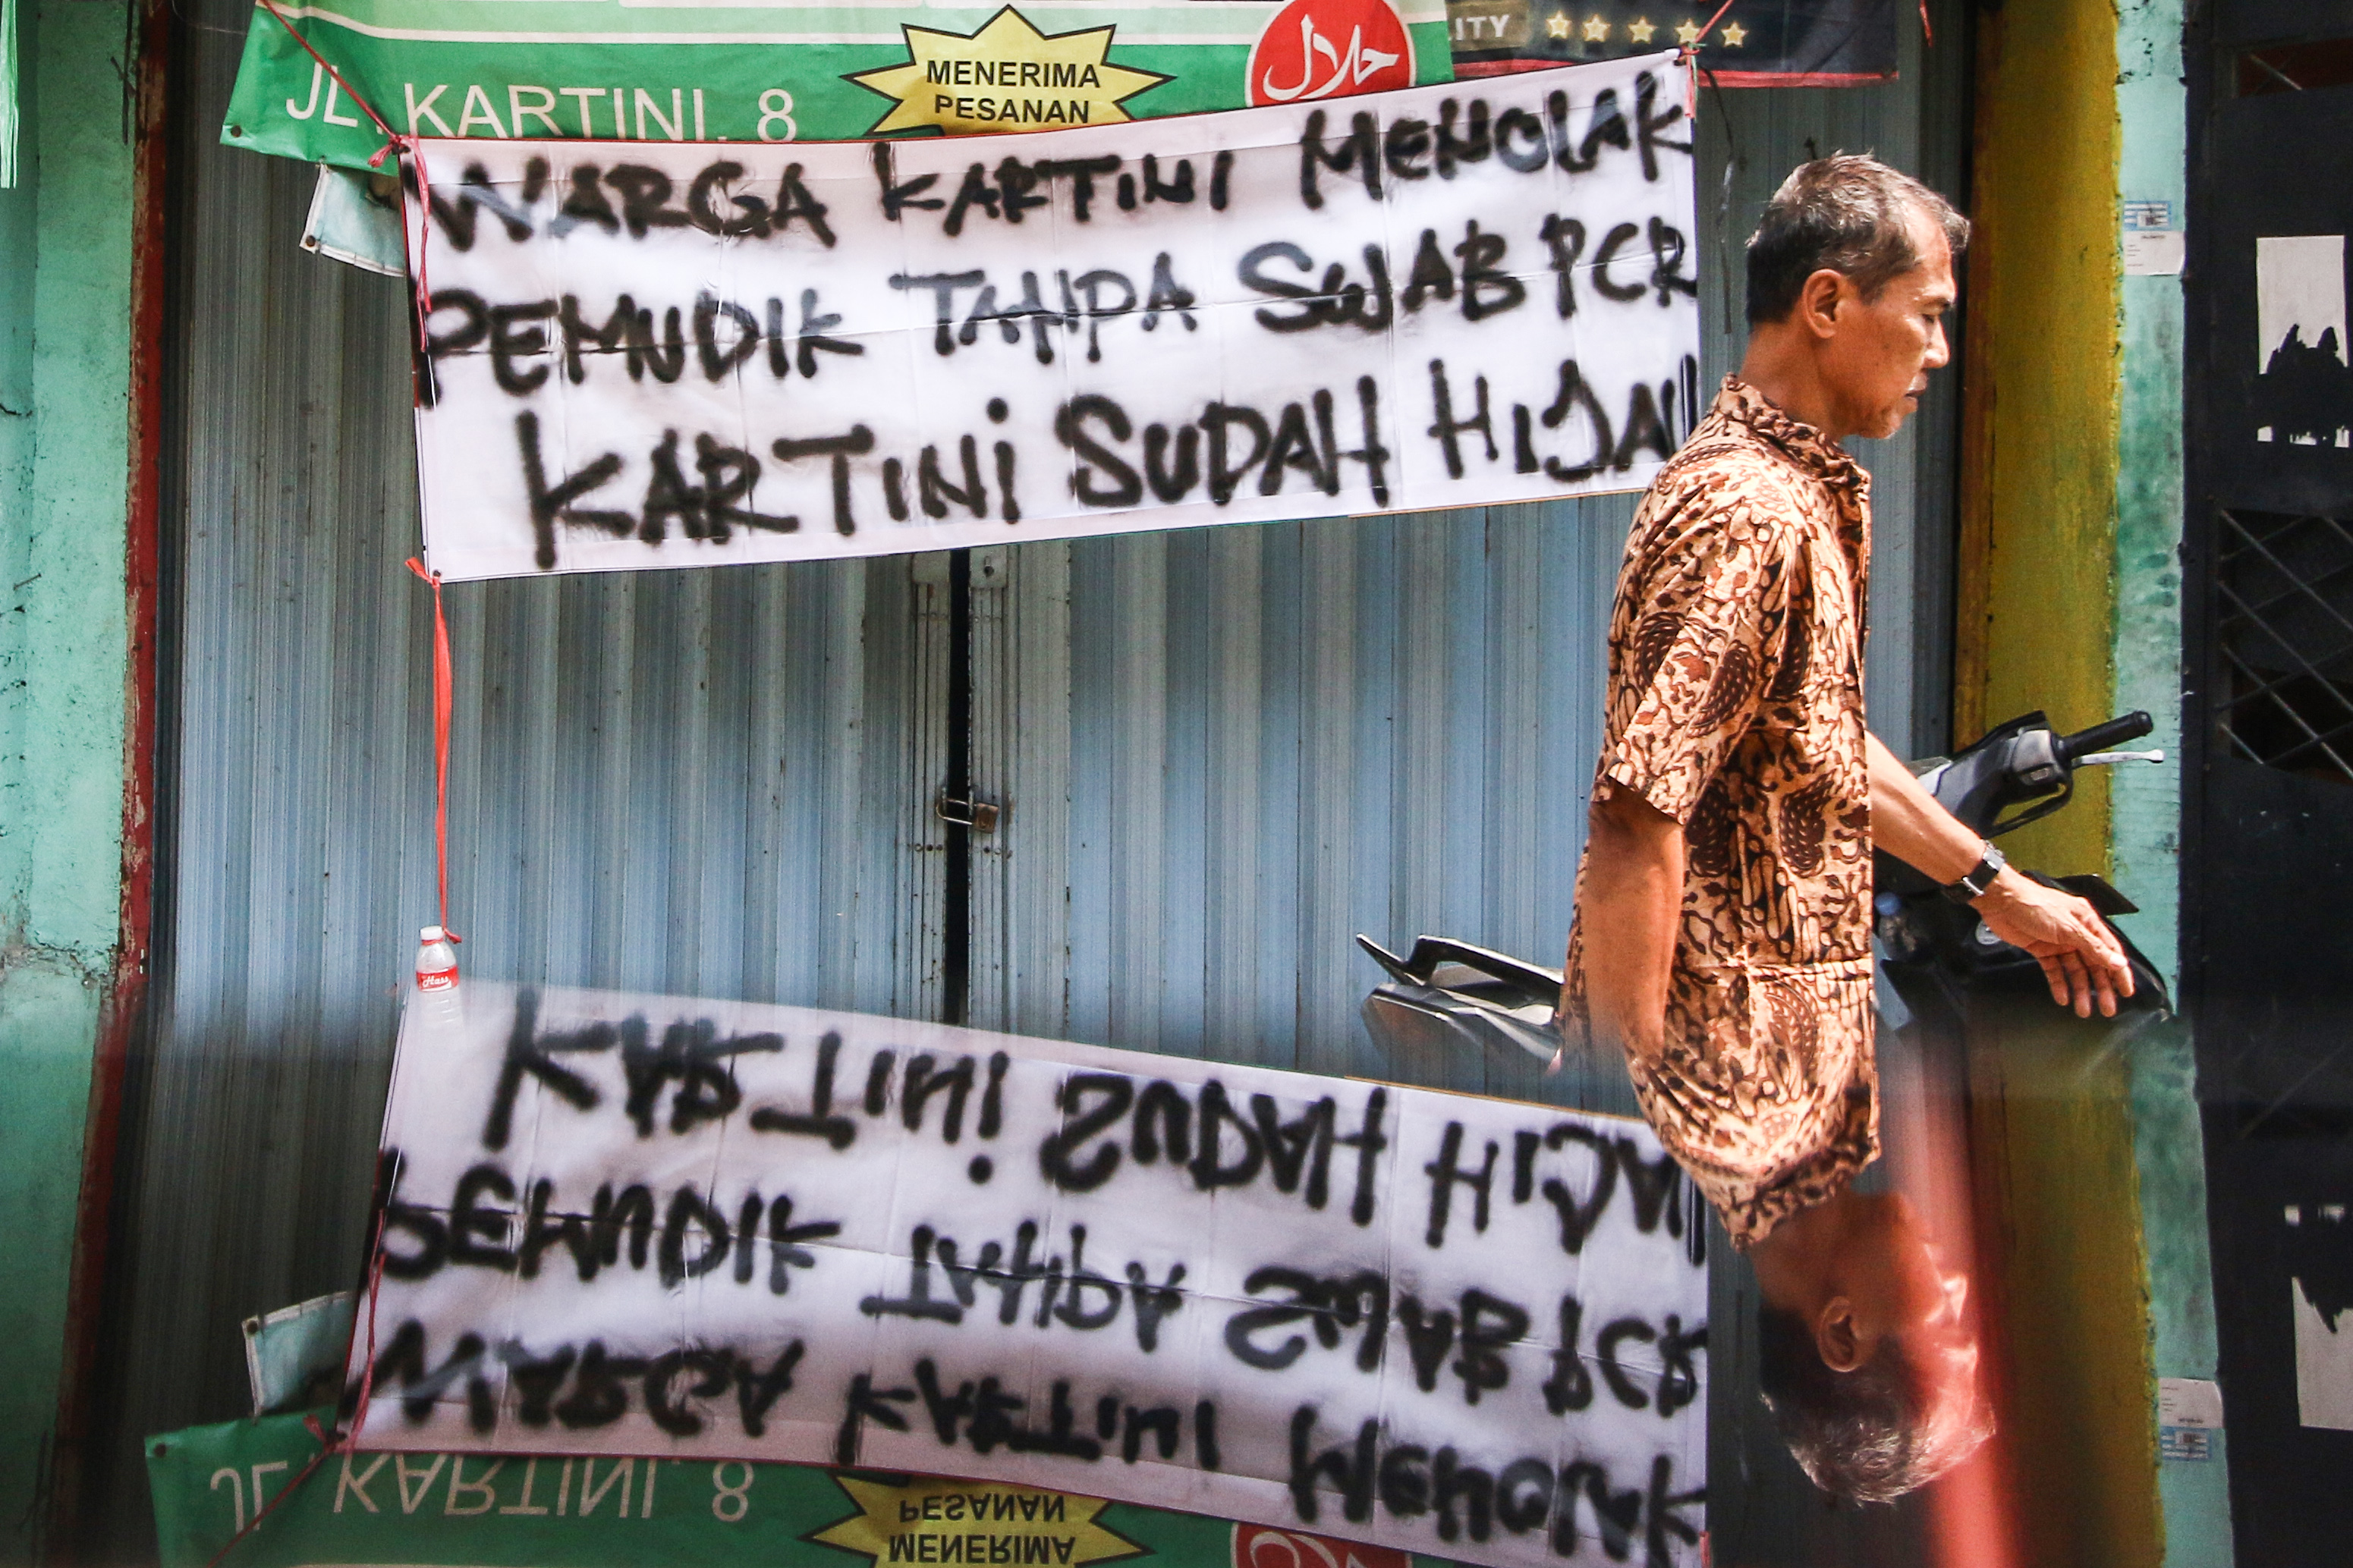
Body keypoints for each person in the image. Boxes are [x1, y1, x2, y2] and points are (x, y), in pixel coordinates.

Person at [1557, 155, 2135, 1500]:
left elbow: (1817, 746)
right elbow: (1637, 815)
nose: (1938, 348)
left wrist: (2002, 888)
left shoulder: (1789, 499)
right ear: (1826, 304)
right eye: (1925, 313)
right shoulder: (1745, 517)